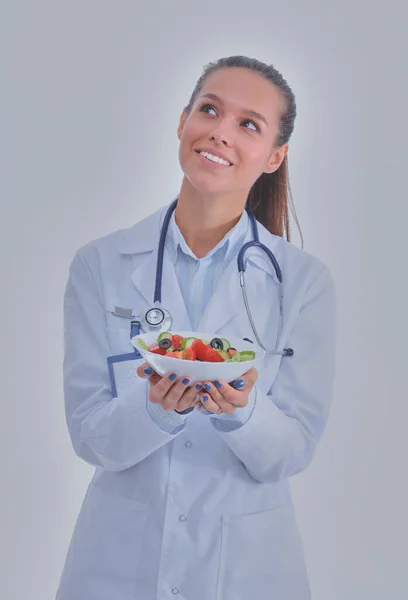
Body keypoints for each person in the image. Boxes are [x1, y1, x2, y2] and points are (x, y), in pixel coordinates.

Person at [56, 55, 336, 600]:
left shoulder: (302, 282)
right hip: (117, 564)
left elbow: (292, 450)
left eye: (248, 124)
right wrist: (156, 407)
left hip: (247, 568)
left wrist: (243, 411)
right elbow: (91, 435)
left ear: (275, 156)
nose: (220, 133)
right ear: (182, 122)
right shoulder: (101, 264)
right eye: (209, 110)